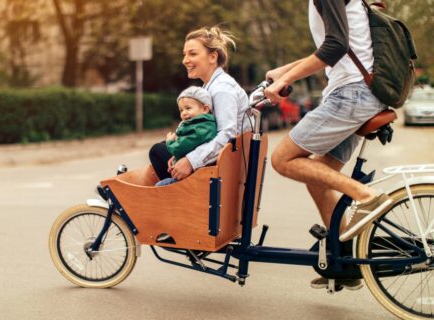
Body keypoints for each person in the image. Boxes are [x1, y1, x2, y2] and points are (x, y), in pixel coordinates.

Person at [263, 0, 393, 289]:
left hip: (352, 94)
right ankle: (344, 258)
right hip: (362, 92)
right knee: (318, 176)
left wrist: (285, 78)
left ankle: (365, 195)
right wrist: (281, 72)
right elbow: (334, 50)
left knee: (282, 159)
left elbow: (334, 48)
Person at [149, 26, 250, 182]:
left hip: (224, 169)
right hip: (222, 163)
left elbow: (228, 135)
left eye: (193, 54)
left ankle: (176, 198)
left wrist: (190, 160)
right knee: (164, 149)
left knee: (157, 151)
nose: (185, 60)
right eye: (184, 55)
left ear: (212, 57)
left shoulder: (222, 89)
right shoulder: (211, 86)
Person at [155, 86, 217, 186]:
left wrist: (170, 142)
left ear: (205, 109)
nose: (184, 113)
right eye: (181, 110)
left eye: (188, 108)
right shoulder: (201, 125)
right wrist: (176, 158)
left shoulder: (199, 129)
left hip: (194, 176)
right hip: (195, 171)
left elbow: (180, 148)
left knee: (159, 186)